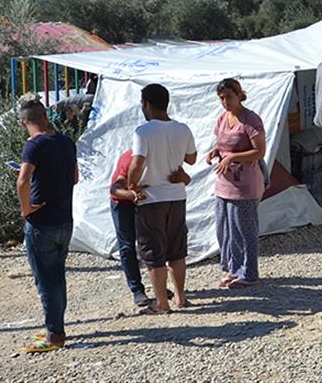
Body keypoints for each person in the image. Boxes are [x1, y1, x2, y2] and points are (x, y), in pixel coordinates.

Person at [128, 83, 197, 314]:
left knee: (154, 253)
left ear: (147, 104)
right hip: (177, 196)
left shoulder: (143, 132)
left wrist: (132, 185)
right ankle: (181, 296)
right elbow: (192, 158)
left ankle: (161, 303)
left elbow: (137, 163)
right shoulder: (183, 128)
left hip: (151, 197)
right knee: (177, 250)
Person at [15, 99, 78, 352]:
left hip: (42, 223)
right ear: (45, 116)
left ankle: (54, 335)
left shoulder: (33, 145)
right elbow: (74, 177)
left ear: (23, 122)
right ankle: (55, 325)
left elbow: (22, 181)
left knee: (46, 280)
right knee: (57, 276)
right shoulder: (65, 141)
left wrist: (26, 208)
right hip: (65, 219)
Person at [108, 149, 190, 307]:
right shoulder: (130, 160)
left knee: (152, 244)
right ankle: (137, 290)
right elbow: (115, 189)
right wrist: (132, 195)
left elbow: (185, 178)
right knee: (127, 246)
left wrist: (182, 178)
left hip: (148, 202)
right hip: (123, 203)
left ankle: (159, 289)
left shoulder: (164, 156)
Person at [207, 78, 267, 289]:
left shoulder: (250, 120)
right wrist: (216, 152)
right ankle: (232, 268)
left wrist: (232, 157)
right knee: (224, 229)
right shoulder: (223, 118)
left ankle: (249, 273)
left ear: (239, 95)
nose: (225, 102)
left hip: (245, 184)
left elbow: (259, 151)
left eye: (229, 97)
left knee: (244, 229)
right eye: (222, 98)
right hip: (224, 182)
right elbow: (222, 143)